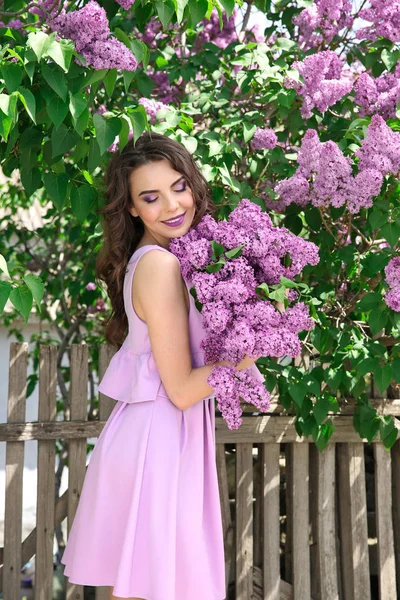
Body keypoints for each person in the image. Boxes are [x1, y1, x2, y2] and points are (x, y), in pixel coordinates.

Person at [60, 131, 263, 600]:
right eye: (150, 197)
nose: (172, 205)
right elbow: (183, 389)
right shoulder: (159, 266)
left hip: (160, 433)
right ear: (132, 209)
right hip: (158, 438)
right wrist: (251, 349)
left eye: (178, 187)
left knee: (145, 588)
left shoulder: (171, 260)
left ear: (192, 185)